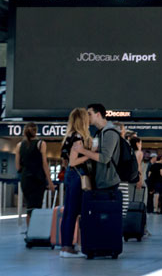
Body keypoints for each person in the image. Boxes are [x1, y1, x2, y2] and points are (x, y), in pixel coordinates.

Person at [59, 108, 92, 258]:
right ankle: (67, 248)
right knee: (73, 213)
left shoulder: (67, 138)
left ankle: (65, 245)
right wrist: (90, 154)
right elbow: (73, 161)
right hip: (78, 176)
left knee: (68, 212)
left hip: (69, 176)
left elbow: (66, 162)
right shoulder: (78, 138)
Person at [14, 122, 55, 226]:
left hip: (25, 180)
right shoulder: (41, 143)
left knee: (29, 207)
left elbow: (17, 167)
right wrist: (50, 182)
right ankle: (35, 232)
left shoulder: (19, 145)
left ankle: (30, 232)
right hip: (38, 179)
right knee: (36, 207)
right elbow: (44, 164)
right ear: (36, 131)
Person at [72, 104, 121, 191]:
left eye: (89, 114)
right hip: (100, 182)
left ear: (98, 114)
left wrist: (82, 151)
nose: (87, 117)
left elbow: (104, 158)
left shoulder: (110, 133)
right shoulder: (99, 133)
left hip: (108, 184)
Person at [128, 137, 145, 203]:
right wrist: (140, 179)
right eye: (140, 143)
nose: (141, 145)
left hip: (129, 176)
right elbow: (138, 166)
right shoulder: (139, 152)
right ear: (137, 143)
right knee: (138, 198)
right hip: (135, 176)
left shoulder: (130, 151)